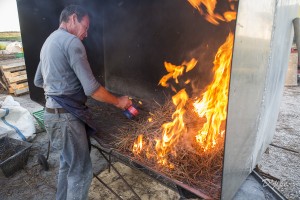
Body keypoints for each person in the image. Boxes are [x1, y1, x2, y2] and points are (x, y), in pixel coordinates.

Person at [34, 5, 132, 200]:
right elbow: (92, 89)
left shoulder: (49, 41)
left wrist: (61, 83)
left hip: (51, 116)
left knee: (67, 164)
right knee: (80, 173)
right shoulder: (72, 43)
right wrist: (119, 101)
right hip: (66, 119)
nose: (86, 33)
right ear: (72, 19)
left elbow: (38, 80)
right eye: (85, 27)